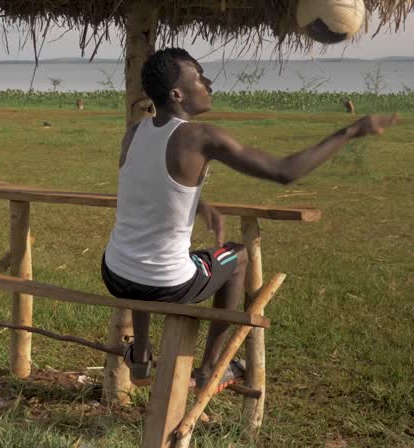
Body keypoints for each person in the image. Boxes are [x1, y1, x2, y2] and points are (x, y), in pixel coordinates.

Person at [101, 47, 398, 388]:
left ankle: (140, 356)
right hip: (167, 286)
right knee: (238, 256)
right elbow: (284, 171)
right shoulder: (202, 137)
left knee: (143, 256)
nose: (209, 83)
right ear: (177, 93)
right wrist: (349, 132)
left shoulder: (136, 132)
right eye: (199, 77)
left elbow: (152, 183)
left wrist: (199, 203)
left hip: (114, 273)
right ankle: (210, 368)